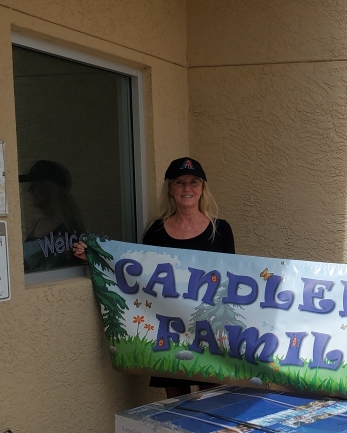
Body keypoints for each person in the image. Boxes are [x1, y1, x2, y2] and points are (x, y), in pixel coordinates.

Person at [75, 157, 234, 398]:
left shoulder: (220, 230)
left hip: (208, 329)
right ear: (170, 189)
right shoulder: (156, 231)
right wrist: (96, 257)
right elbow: (138, 272)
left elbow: (231, 281)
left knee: (213, 401)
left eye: (193, 182)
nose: (187, 188)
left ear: (202, 188)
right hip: (169, 329)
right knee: (177, 404)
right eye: (179, 182)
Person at [20, 160, 85, 272]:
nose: (29, 190)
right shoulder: (36, 223)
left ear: (49, 189)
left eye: (35, 185)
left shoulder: (67, 228)